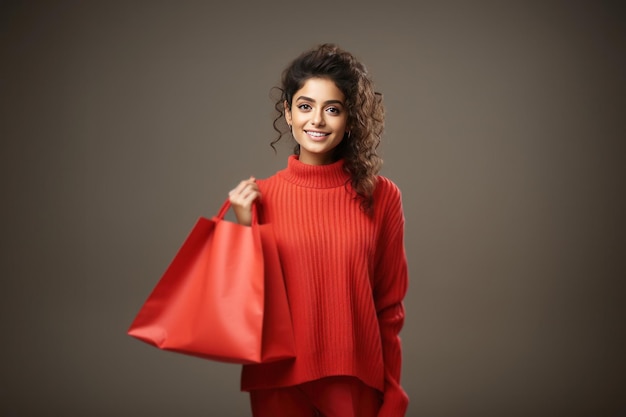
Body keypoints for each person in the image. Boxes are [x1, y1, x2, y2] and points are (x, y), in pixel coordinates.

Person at [228, 43, 409, 417]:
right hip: (277, 380)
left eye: (332, 109)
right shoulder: (259, 196)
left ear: (350, 119)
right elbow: (242, 305)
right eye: (306, 106)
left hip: (354, 378)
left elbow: (388, 309)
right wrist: (245, 229)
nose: (317, 121)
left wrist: (393, 394)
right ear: (288, 112)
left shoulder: (382, 196)